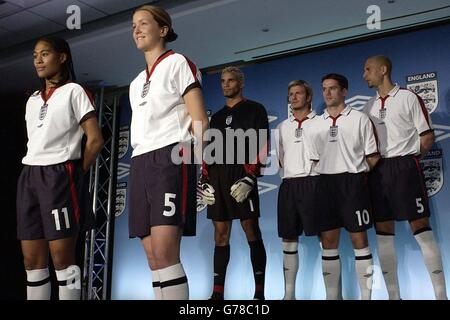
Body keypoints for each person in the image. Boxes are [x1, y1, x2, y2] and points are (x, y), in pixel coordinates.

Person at [129, 5, 209, 300]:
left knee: (165, 253)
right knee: (152, 258)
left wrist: (205, 168)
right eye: (133, 25)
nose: (136, 29)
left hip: (171, 158)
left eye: (143, 23)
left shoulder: (178, 63)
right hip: (141, 162)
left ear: (163, 30)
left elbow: (199, 119)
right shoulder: (136, 82)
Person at [17, 36, 104, 300]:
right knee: (32, 263)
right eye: (35, 56)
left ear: (62, 57)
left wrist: (76, 174)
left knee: (63, 260)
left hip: (59, 176)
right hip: (29, 176)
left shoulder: (74, 91)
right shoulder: (32, 99)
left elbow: (95, 139)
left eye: (45, 54)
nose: (38, 60)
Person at [363, 55, 447, 300]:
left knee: (421, 228)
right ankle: (394, 297)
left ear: (383, 70)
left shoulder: (409, 97)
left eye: (368, 69)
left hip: (405, 167)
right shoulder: (367, 106)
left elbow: (427, 136)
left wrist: (409, 161)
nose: (364, 74)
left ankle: (441, 296)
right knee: (383, 231)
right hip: (378, 171)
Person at [306, 73, 380, 300]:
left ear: (344, 91)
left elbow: (373, 156)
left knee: (360, 241)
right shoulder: (315, 124)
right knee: (328, 243)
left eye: (332, 88)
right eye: (324, 89)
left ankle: (366, 298)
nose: (327, 93)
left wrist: (355, 171)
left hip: (352, 184)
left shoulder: (359, 118)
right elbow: (314, 159)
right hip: (325, 184)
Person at [199, 66, 269, 300]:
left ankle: (259, 294)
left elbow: (262, 144)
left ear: (241, 83)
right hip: (218, 177)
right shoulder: (216, 117)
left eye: (230, 81)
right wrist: (205, 180)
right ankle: (217, 294)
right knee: (220, 233)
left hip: (242, 174)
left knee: (251, 229)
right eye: (222, 81)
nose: (226, 85)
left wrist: (251, 176)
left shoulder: (255, 109)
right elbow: (209, 150)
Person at [274, 80, 319, 300]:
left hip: (314, 183)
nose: (293, 98)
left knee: (326, 239)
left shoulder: (320, 122)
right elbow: (281, 159)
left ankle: (333, 294)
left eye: (298, 93)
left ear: (308, 97)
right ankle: (289, 295)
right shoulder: (282, 127)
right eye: (290, 94)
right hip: (289, 186)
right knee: (288, 240)